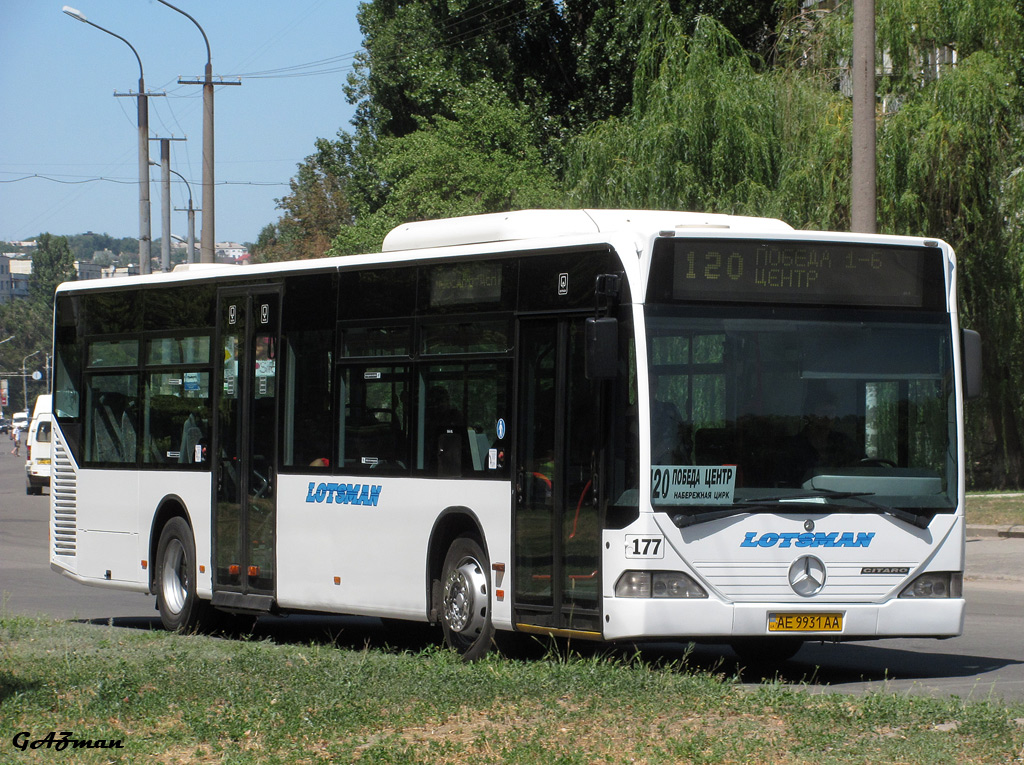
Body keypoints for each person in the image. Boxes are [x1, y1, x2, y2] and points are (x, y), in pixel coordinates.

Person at [789, 388, 860, 483]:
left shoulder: (845, 443)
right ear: (810, 415)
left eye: (831, 413)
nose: (827, 417)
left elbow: (869, 466)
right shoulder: (793, 447)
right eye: (822, 412)